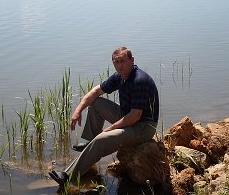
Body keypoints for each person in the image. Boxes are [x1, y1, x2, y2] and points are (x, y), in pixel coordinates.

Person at [49, 47, 159, 186]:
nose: (119, 65)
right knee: (96, 103)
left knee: (102, 139)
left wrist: (110, 129)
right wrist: (78, 111)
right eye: (116, 62)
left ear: (132, 60)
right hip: (128, 116)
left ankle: (67, 176)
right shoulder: (119, 77)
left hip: (144, 127)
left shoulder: (139, 80)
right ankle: (91, 145)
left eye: (123, 61)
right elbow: (96, 91)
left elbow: (135, 116)